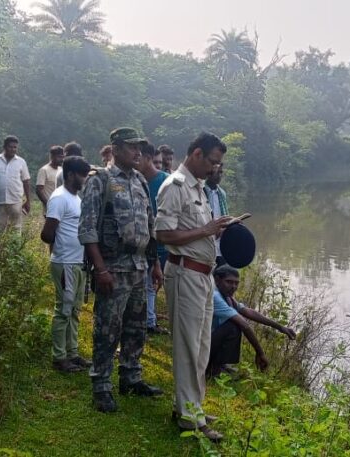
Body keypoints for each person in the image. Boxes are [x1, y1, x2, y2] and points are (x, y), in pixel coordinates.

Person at [79, 127, 164, 413]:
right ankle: (101, 385)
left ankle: (131, 376)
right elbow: (88, 229)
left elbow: (149, 225)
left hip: (140, 266)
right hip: (113, 268)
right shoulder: (99, 180)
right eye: (131, 147)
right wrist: (100, 270)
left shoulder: (140, 180)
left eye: (139, 147)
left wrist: (155, 265)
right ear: (114, 150)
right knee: (107, 329)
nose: (137, 152)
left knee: (136, 327)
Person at [155, 132, 232, 442]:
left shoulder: (198, 187)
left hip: (203, 277)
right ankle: (191, 419)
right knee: (188, 346)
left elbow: (201, 233)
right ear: (197, 154)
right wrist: (206, 229)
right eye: (213, 162)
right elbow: (163, 234)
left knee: (201, 347)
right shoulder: (174, 186)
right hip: (184, 274)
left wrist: (221, 228)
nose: (215, 168)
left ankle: (192, 406)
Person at [41, 156, 93, 373]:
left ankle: (72, 353)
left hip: (77, 262)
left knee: (74, 310)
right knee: (63, 309)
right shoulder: (59, 198)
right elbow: (47, 233)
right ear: (71, 174)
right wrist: (63, 247)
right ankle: (59, 357)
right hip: (65, 263)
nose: (84, 179)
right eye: (82, 175)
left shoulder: (76, 199)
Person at [208, 266, 296, 379]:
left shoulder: (226, 296)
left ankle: (219, 366)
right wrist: (260, 353)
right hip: (201, 344)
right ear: (217, 280)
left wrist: (280, 327)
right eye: (229, 282)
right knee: (233, 326)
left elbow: (247, 311)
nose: (233, 287)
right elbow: (244, 325)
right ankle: (212, 370)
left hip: (208, 340)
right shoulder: (215, 296)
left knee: (233, 325)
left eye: (236, 283)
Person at [138, 142, 171, 336]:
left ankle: (150, 321)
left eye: (138, 156)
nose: (135, 160)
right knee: (142, 287)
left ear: (147, 158)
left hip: (162, 247)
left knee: (154, 285)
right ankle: (146, 322)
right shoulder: (135, 180)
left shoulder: (166, 182)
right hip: (142, 246)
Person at [0, 136, 31, 232]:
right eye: (10, 147)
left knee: (16, 228)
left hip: (16, 200)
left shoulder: (21, 162)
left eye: (15, 147)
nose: (13, 149)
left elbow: (26, 181)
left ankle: (15, 247)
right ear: (4, 147)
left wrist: (28, 200)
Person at [203, 164, 229, 267]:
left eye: (221, 173)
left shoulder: (222, 193)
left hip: (221, 245)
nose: (220, 175)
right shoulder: (202, 191)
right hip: (206, 243)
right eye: (217, 172)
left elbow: (225, 215)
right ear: (209, 173)